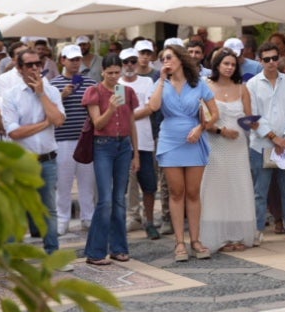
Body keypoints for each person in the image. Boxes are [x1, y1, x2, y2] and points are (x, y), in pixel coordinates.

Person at [141, 45, 216, 262]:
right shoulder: (160, 84)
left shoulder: (199, 84)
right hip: (170, 140)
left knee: (193, 193)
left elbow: (215, 113)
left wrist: (200, 128)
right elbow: (153, 107)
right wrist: (163, 79)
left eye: (169, 57)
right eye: (163, 59)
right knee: (176, 193)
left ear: (180, 60)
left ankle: (195, 240)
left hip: (195, 140)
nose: (166, 61)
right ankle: (179, 242)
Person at [0, 48, 68, 260]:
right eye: (29, 65)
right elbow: (14, 132)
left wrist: (41, 94)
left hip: (47, 159)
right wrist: (44, 123)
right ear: (19, 68)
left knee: (49, 210)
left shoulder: (51, 91)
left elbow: (58, 120)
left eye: (38, 63)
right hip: (20, 162)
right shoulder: (11, 96)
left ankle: (53, 254)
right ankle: (12, 259)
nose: (36, 68)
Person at [82, 54, 138, 264]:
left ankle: (119, 248)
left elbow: (132, 123)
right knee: (105, 200)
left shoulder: (128, 92)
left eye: (118, 72)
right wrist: (112, 108)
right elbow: (98, 123)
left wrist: (136, 152)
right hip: (103, 146)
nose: (115, 76)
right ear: (103, 71)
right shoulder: (95, 91)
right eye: (111, 72)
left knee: (119, 199)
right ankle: (95, 252)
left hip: (123, 146)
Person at [202, 49, 258, 251]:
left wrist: (251, 124)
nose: (229, 67)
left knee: (238, 186)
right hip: (215, 143)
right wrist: (221, 130)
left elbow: (249, 117)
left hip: (238, 145)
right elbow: (202, 119)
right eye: (226, 63)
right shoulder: (206, 87)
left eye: (233, 64)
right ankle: (219, 235)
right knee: (216, 188)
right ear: (217, 65)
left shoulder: (242, 88)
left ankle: (238, 235)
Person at [248, 41, 285, 240]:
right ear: (260, 61)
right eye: (267, 59)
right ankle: (258, 230)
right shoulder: (252, 84)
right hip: (261, 145)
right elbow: (253, 117)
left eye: (274, 58)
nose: (271, 62)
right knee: (260, 191)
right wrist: (273, 137)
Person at [51, 44, 96, 235]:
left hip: (85, 138)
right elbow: (49, 110)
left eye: (78, 59)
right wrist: (62, 96)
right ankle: (62, 219)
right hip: (62, 139)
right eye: (72, 59)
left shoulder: (90, 83)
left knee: (88, 181)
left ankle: (88, 217)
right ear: (63, 60)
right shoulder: (53, 85)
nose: (76, 63)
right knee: (63, 182)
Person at [119, 48, 161, 240]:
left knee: (149, 185)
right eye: (126, 62)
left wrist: (127, 116)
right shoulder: (118, 84)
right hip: (123, 142)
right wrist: (131, 115)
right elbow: (121, 111)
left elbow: (151, 108)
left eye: (132, 61)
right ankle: (127, 218)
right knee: (125, 185)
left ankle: (149, 221)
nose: (129, 65)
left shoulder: (147, 81)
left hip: (144, 140)